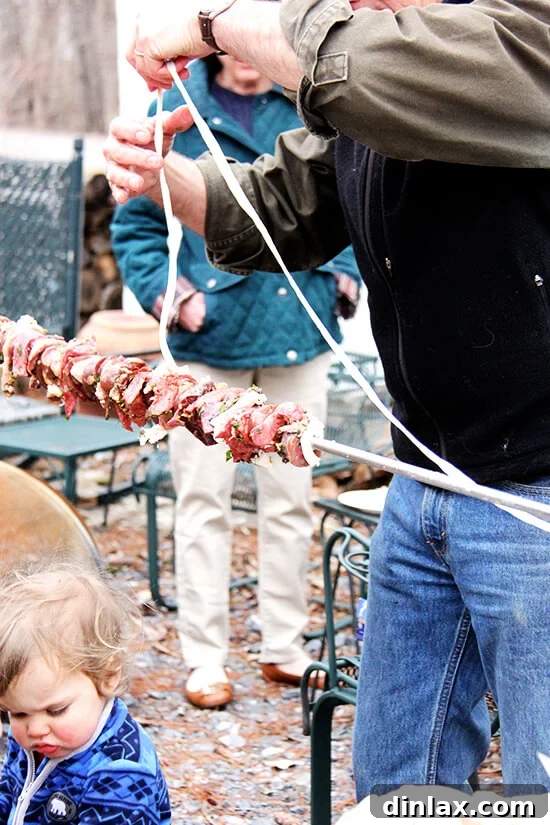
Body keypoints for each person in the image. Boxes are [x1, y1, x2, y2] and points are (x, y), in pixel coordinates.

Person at [102, 0, 550, 799]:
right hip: (424, 480)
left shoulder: (523, 28)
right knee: (395, 789)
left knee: (539, 787)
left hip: (535, 500)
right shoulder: (371, 67)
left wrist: (208, 25)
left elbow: (356, 68)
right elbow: (278, 206)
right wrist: (165, 179)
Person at [109, 53, 361, 710]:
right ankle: (204, 658)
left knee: (290, 500)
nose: (250, 63)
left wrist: (344, 274)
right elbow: (135, 224)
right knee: (203, 502)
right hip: (208, 344)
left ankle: (284, 646)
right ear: (217, 42)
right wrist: (174, 296)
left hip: (298, 334)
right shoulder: (175, 111)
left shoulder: (307, 100)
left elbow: (347, 196)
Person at [0, 563, 171, 824]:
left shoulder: (120, 771)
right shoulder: (31, 733)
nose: (35, 728)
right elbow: (9, 793)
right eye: (17, 713)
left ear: (107, 676)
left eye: (55, 710)